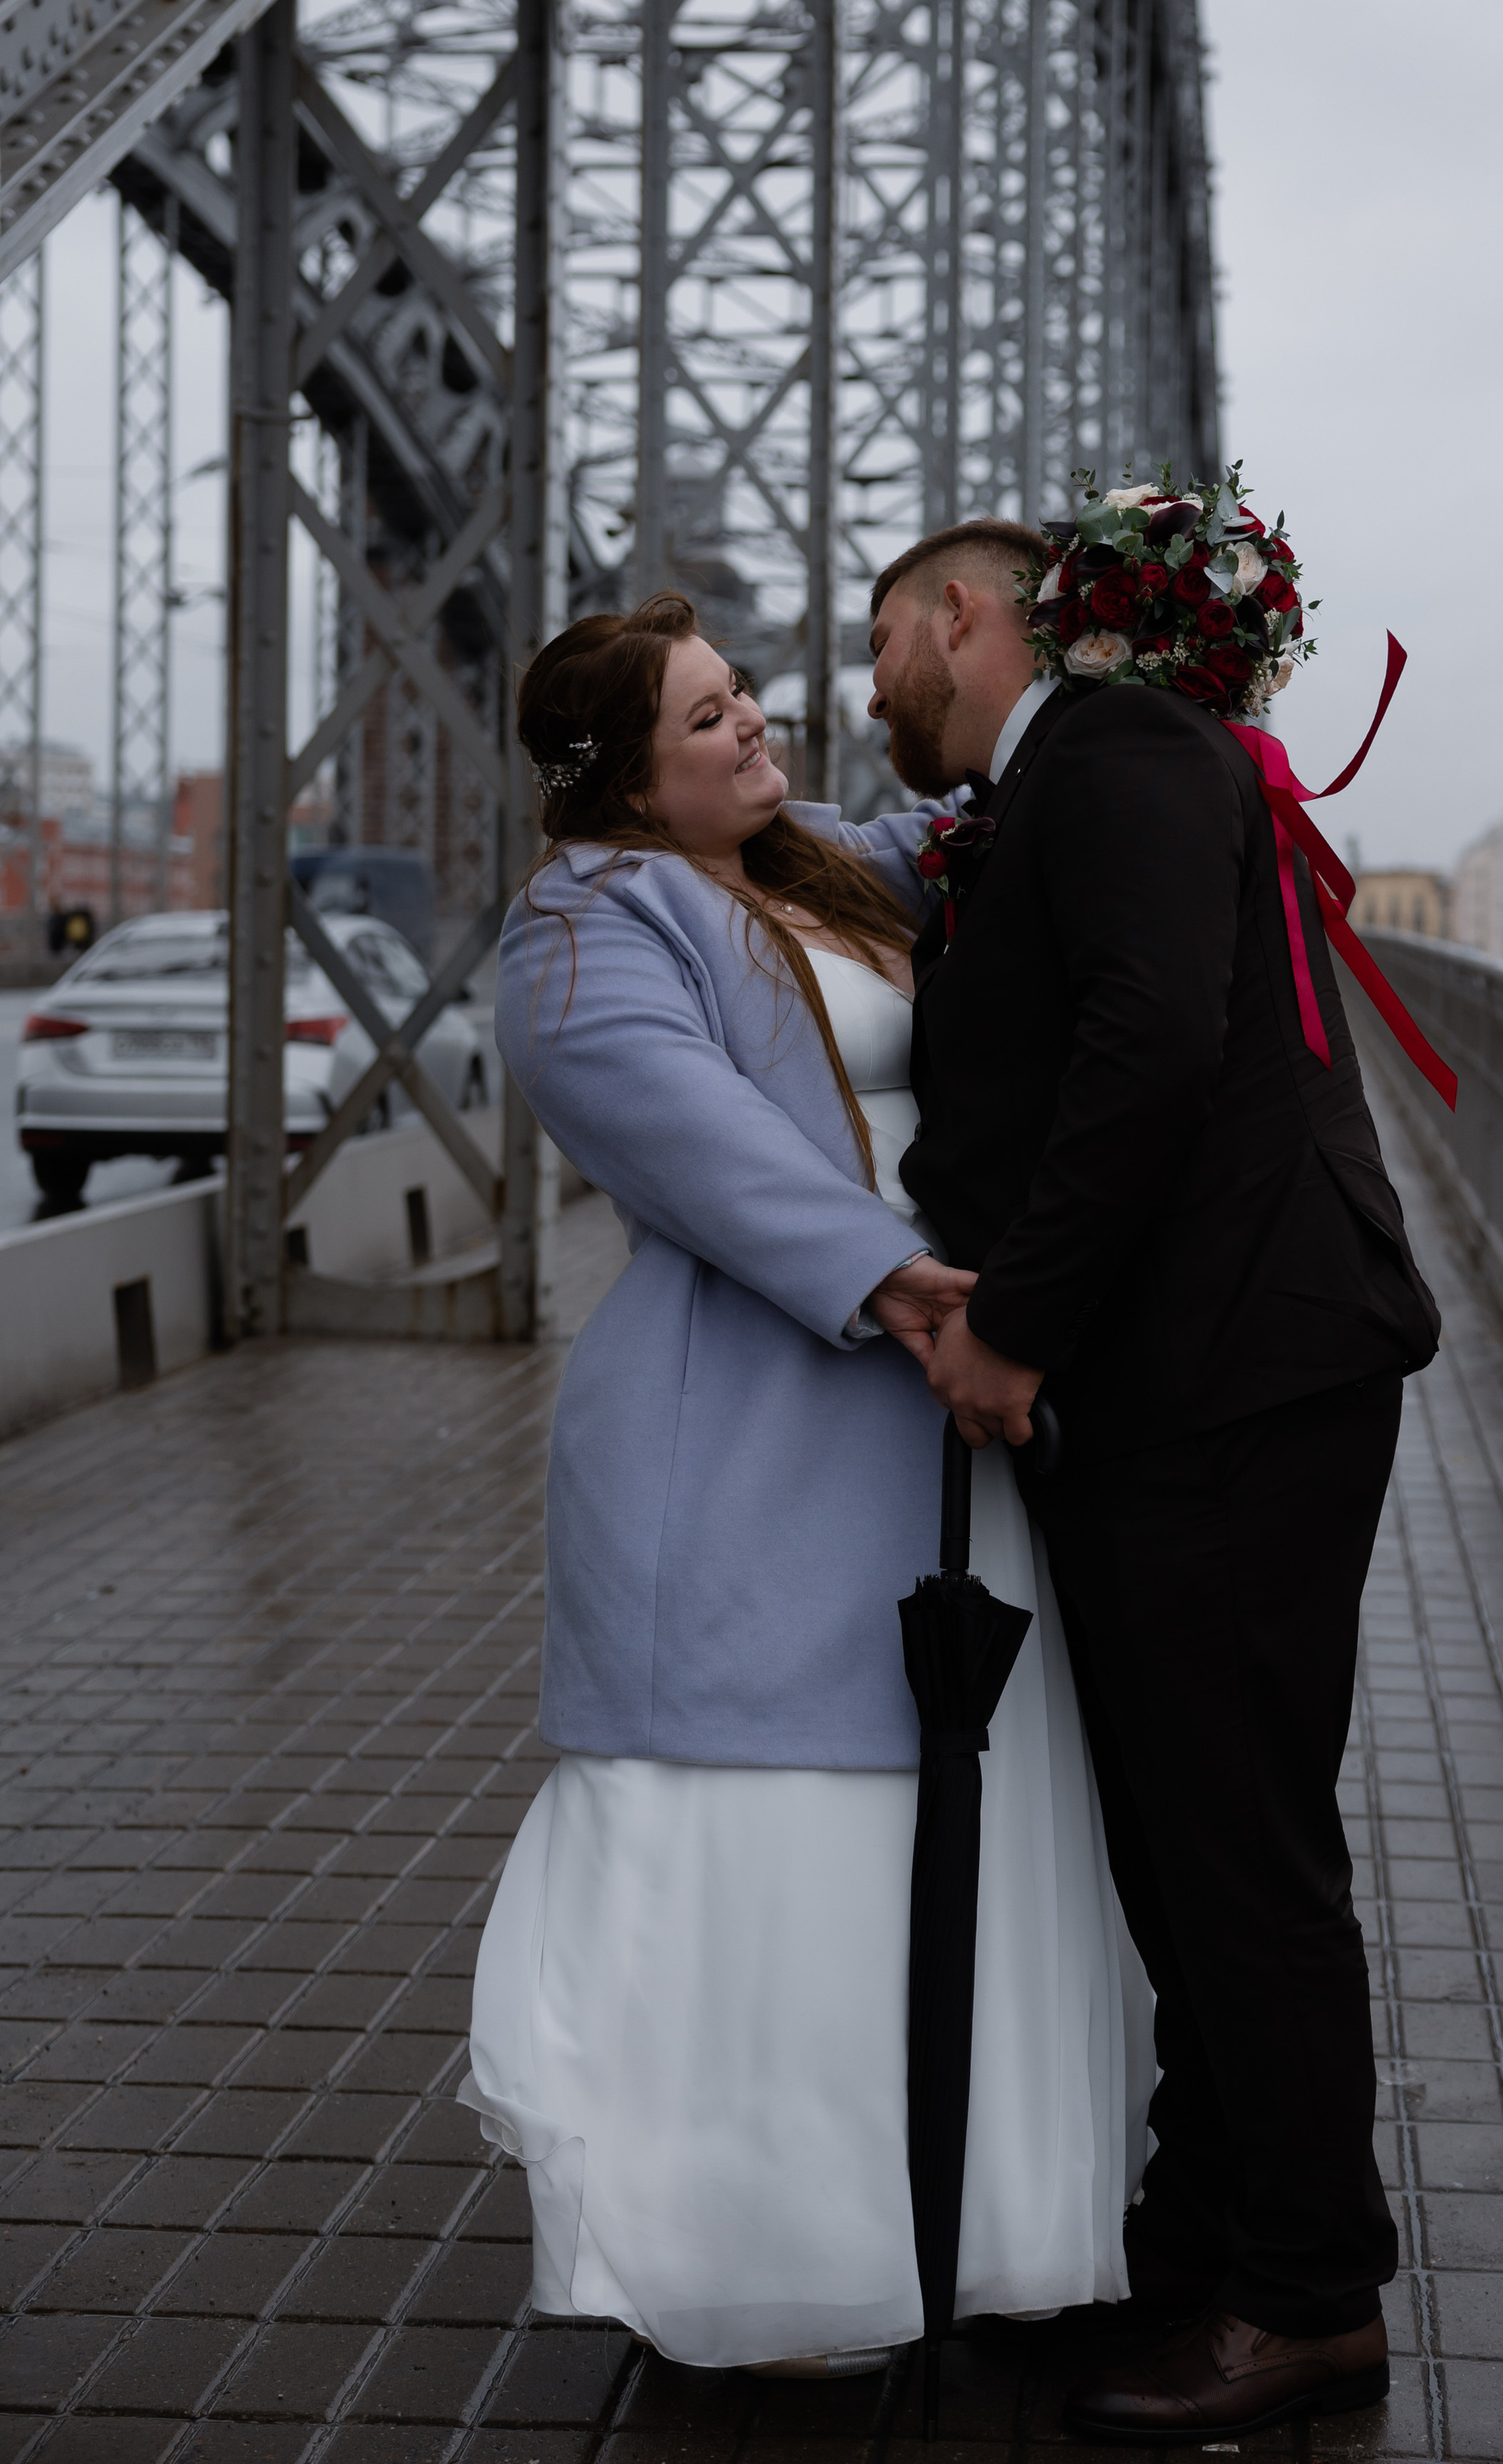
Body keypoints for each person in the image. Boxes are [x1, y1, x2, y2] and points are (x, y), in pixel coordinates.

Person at [461, 592, 1149, 2375]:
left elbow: (983, 812)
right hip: (762, 1407)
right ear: (621, 776)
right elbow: (689, 1144)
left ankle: (939, 2224)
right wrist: (901, 1283)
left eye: (744, 694)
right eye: (706, 720)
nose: (756, 726)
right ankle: (752, 2256)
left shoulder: (820, 862)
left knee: (941, 1790)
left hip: (931, 1397)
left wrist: (1130, 657)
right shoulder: (580, 927)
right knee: (760, 1816)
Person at [868, 515, 1442, 2441]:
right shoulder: (1095, 774)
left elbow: (1149, 1048)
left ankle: (1305, 2294)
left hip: (1230, 1385)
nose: (867, 688)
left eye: (879, 638)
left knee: (1237, 1854)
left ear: (963, 612)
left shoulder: (1111, 758)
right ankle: (1196, 2251)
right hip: (1198, 1385)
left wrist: (1012, 1325)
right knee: (1178, 1852)